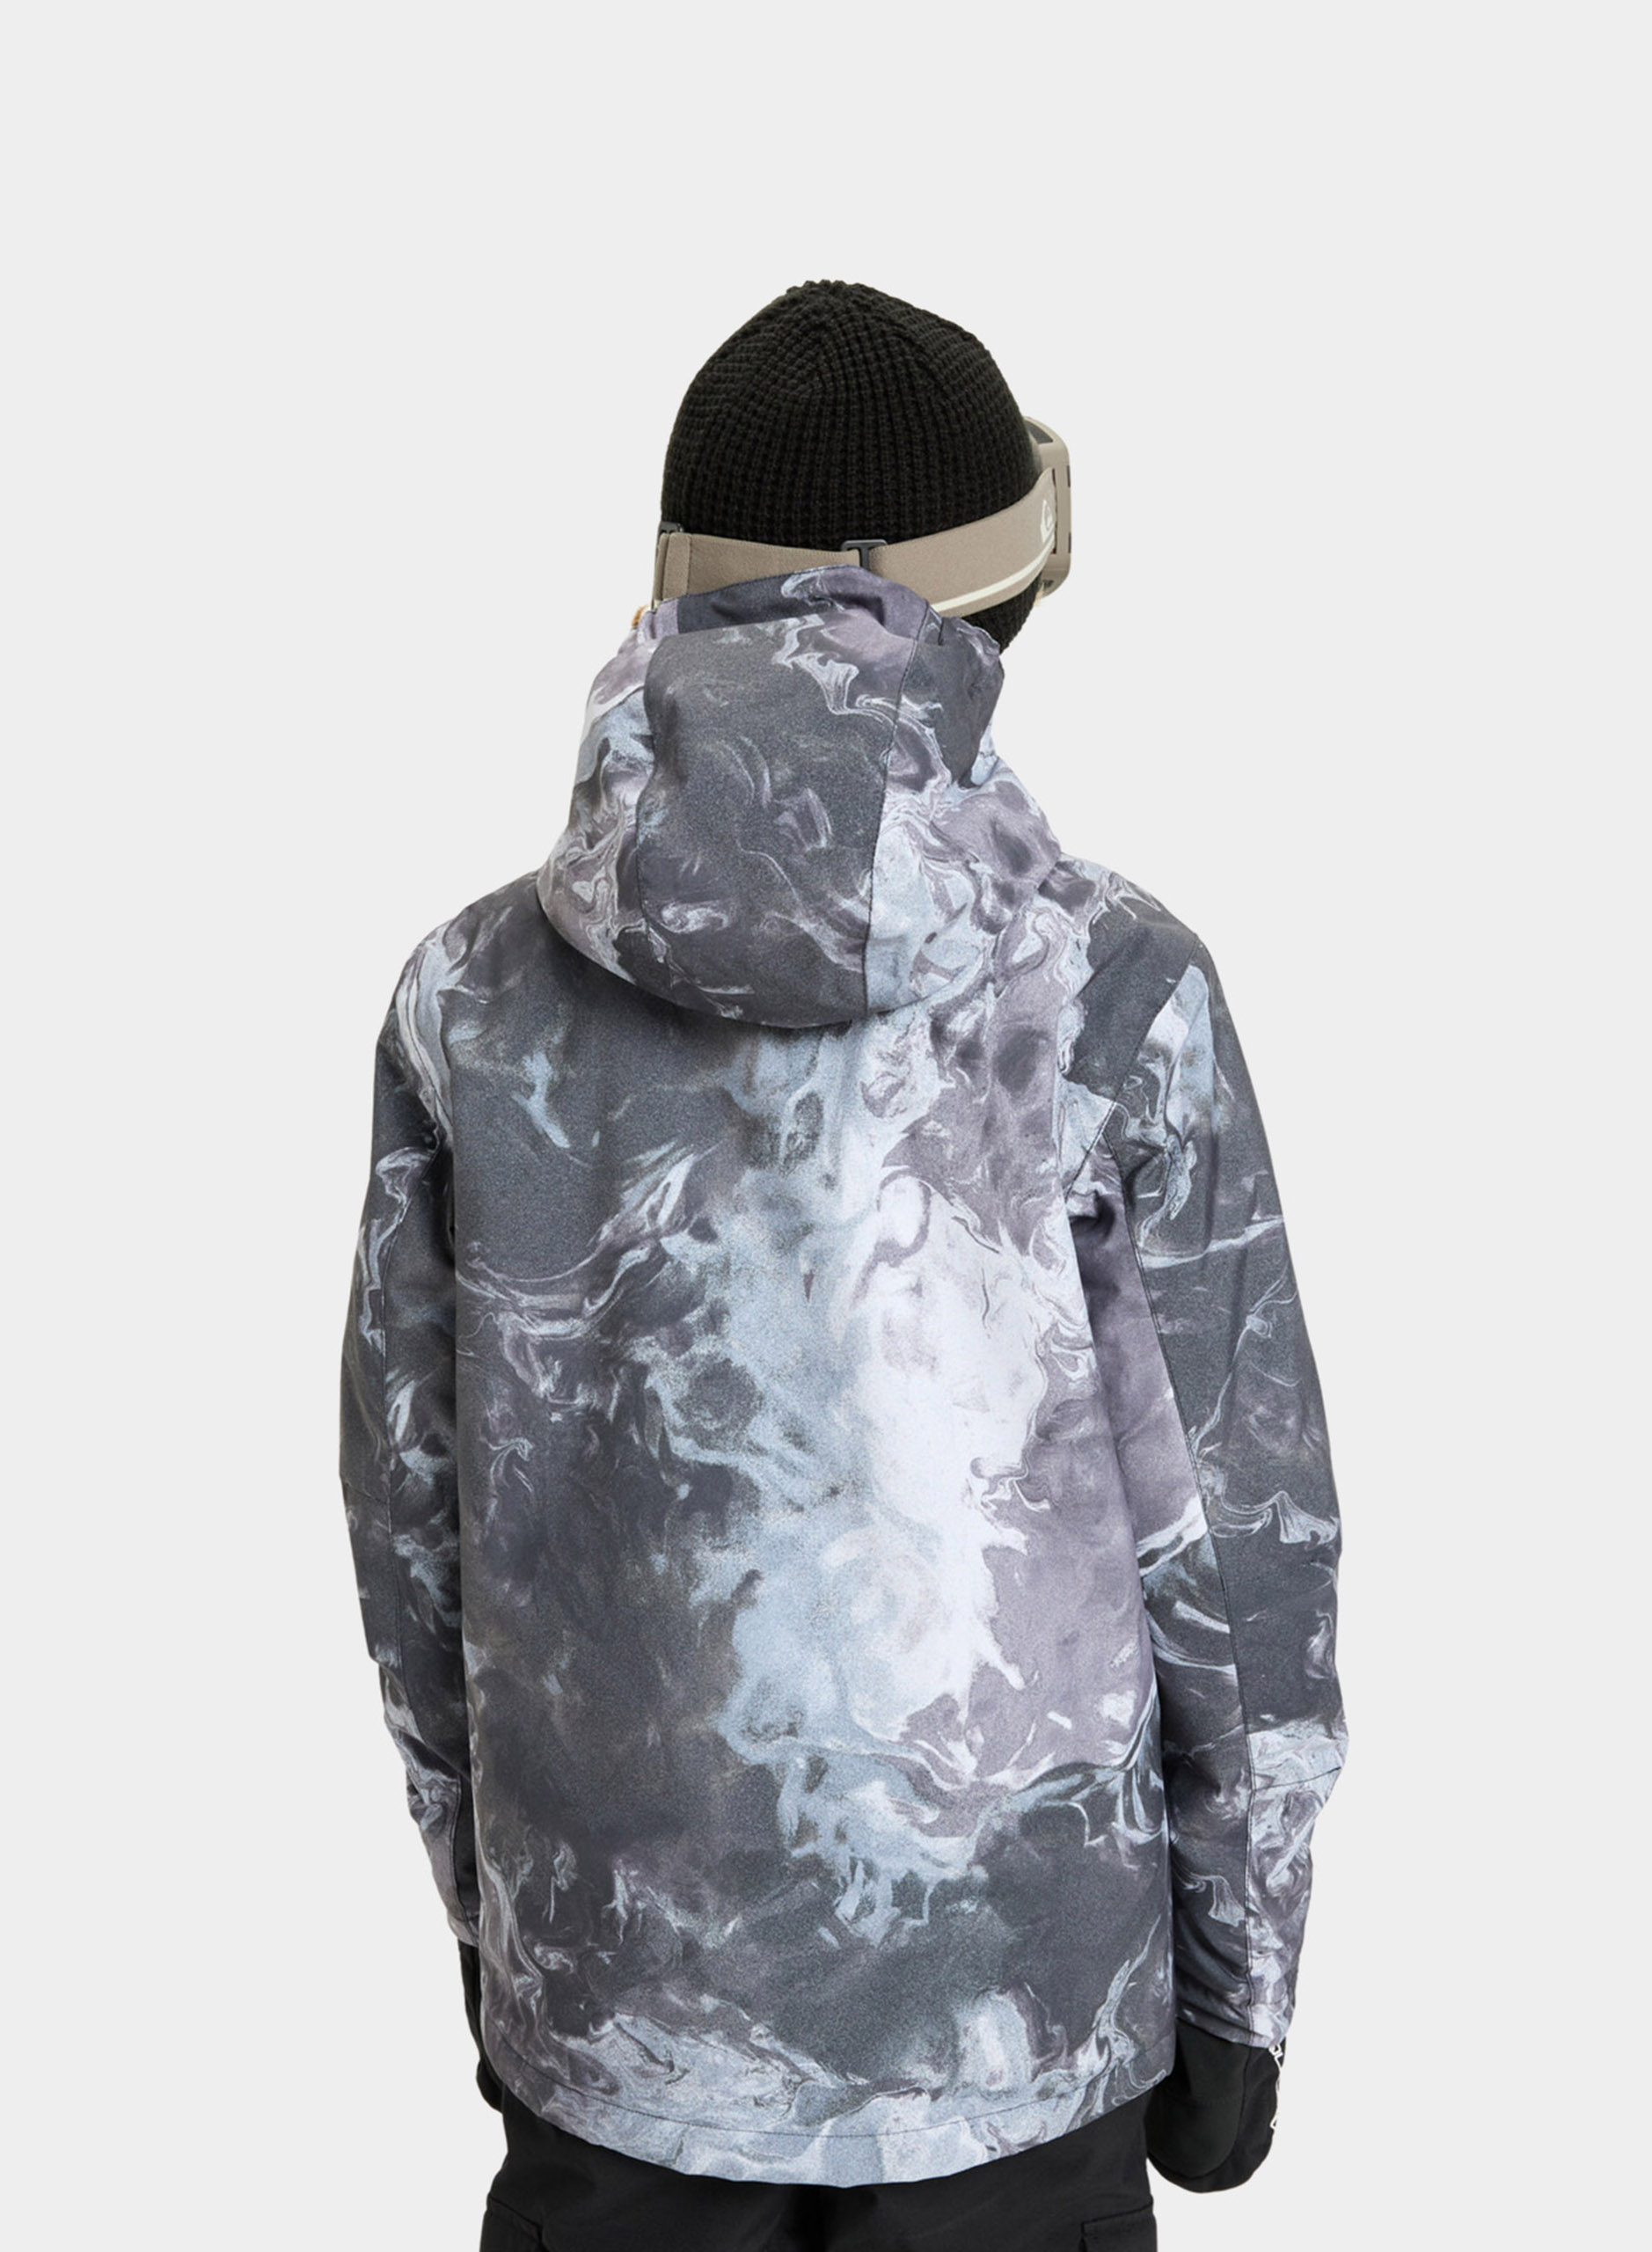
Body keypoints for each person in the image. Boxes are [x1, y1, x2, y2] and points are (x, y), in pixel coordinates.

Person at [338, 281, 1347, 2252]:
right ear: (998, 603)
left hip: (617, 2038)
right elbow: (1236, 1555)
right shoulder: (1112, 991)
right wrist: (1238, 1999)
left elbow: (414, 1535)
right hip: (1022, 2040)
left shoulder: (471, 1001)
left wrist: (516, 1946)